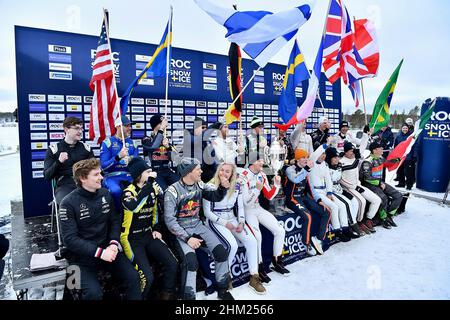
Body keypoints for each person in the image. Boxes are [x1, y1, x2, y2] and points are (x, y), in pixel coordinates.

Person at [59, 158, 141, 300]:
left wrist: (114, 243)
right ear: (83, 178)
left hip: (107, 249)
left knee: (134, 277)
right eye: (96, 175)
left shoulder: (105, 194)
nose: (101, 177)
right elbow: (69, 240)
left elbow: (115, 221)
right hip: (81, 257)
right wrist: (100, 253)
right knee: (93, 293)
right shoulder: (68, 203)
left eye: (100, 173)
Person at [164, 158, 234, 300]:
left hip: (197, 225)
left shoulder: (200, 184)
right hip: (180, 231)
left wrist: (222, 188)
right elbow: (170, 221)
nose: (201, 171)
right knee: (191, 262)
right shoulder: (171, 191)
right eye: (198, 169)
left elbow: (214, 196)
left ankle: (223, 289)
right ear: (188, 172)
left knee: (221, 253)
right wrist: (188, 239)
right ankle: (188, 297)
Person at [203, 163, 266, 295]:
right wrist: (225, 223)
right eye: (222, 170)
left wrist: (241, 222)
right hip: (216, 220)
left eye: (227, 171)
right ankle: (226, 276)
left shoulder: (237, 185)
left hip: (232, 218)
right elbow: (207, 213)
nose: (224, 173)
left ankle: (254, 277)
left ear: (232, 174)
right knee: (232, 245)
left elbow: (240, 207)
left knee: (252, 241)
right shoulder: (209, 185)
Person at [121, 157, 178, 300]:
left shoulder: (152, 187)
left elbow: (156, 210)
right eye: (148, 171)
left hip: (148, 234)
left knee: (172, 263)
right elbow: (134, 207)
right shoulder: (128, 192)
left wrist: (157, 228)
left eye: (151, 170)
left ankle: (166, 294)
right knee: (147, 277)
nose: (152, 174)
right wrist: (150, 184)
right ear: (139, 174)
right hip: (131, 239)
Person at [239, 158, 289, 283]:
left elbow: (269, 196)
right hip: (247, 211)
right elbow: (246, 202)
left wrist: (276, 185)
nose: (262, 163)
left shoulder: (262, 174)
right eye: (259, 161)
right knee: (258, 237)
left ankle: (277, 260)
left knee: (280, 230)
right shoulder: (243, 176)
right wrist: (256, 190)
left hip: (258, 208)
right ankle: (259, 268)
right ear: (251, 162)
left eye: (262, 160)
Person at [283, 148, 332, 256]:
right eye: (303, 157)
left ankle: (319, 239)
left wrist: (319, 200)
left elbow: (311, 188)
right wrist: (306, 169)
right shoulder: (290, 169)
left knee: (327, 211)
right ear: (297, 159)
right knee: (307, 216)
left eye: (306, 157)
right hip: (292, 198)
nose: (306, 159)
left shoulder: (306, 170)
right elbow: (295, 179)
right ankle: (307, 244)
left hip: (303, 197)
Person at [44, 116, 94, 204]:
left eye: (81, 129)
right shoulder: (54, 150)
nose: (80, 131)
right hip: (65, 185)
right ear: (66, 129)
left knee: (103, 196)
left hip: (85, 183)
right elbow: (47, 176)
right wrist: (59, 162)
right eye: (77, 128)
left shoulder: (86, 149)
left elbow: (94, 170)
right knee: (67, 203)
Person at [310, 144, 353, 242]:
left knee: (341, 206)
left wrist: (329, 192)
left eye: (324, 154)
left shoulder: (324, 164)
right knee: (334, 207)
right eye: (321, 154)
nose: (323, 155)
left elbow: (328, 179)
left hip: (325, 191)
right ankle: (337, 231)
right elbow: (315, 154)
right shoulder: (311, 161)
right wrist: (325, 144)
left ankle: (345, 228)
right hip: (316, 192)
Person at [340, 142, 382, 235]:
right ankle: (357, 222)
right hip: (348, 188)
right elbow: (340, 179)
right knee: (361, 201)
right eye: (351, 151)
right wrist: (353, 186)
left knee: (376, 200)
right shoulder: (341, 161)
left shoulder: (355, 158)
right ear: (346, 152)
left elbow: (361, 150)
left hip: (357, 186)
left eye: (353, 151)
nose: (353, 153)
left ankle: (368, 219)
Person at [360, 142, 403, 229]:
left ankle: (389, 216)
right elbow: (366, 178)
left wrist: (396, 160)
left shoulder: (380, 158)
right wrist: (379, 183)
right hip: (370, 185)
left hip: (380, 183)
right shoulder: (367, 161)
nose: (382, 149)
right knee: (383, 198)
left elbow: (387, 163)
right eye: (380, 148)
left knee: (398, 196)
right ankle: (383, 219)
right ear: (374, 150)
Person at [100, 115, 139, 210]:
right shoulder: (107, 143)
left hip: (129, 175)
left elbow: (138, 165)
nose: (130, 128)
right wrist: (118, 157)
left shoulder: (133, 143)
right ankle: (117, 218)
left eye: (130, 126)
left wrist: (131, 160)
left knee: (140, 189)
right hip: (112, 176)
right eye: (127, 126)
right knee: (116, 191)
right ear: (118, 127)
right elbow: (104, 167)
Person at [324, 147, 361, 239]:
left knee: (354, 201)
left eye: (337, 157)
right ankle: (348, 227)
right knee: (344, 204)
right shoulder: (325, 167)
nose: (337, 159)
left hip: (339, 189)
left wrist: (357, 157)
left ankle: (349, 224)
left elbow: (352, 166)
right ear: (329, 158)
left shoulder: (339, 165)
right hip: (330, 191)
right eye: (334, 157)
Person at [141, 114, 180, 191]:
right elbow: (153, 147)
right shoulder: (146, 139)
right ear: (156, 125)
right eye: (161, 123)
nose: (165, 125)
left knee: (181, 187)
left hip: (167, 170)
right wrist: (161, 129)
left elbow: (175, 158)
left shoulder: (166, 139)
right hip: (154, 172)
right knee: (164, 192)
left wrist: (168, 147)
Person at [394, 123, 417, 189]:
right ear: (401, 129)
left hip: (408, 157)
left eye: (406, 128)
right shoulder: (398, 136)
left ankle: (409, 185)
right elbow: (396, 146)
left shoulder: (412, 136)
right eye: (403, 128)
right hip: (400, 157)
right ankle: (401, 183)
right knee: (400, 171)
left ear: (408, 129)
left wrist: (414, 156)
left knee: (408, 172)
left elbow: (415, 146)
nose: (405, 129)